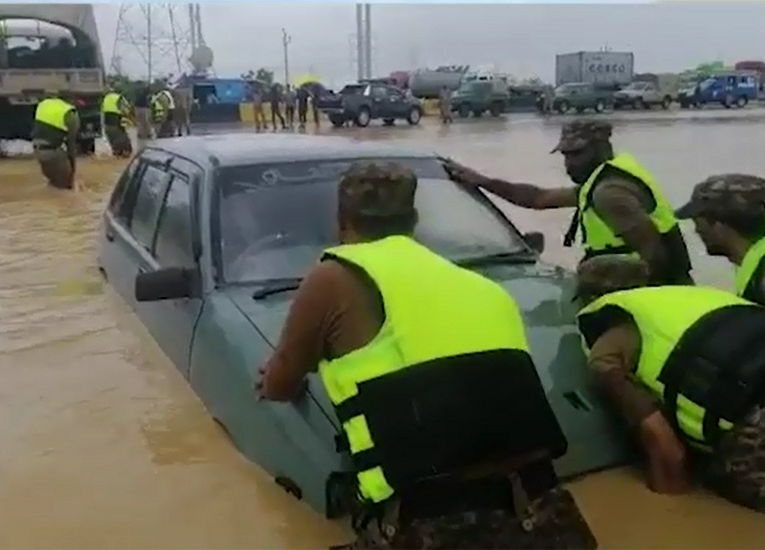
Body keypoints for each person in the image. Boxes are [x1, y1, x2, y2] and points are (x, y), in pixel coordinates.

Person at [257, 162, 597, 550]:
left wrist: (275, 378)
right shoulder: (485, 289)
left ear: (341, 220)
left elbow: (280, 384)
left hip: (434, 523)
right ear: (414, 220)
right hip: (544, 513)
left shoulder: (331, 278)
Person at [574, 254, 765, 512]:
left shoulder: (615, 340)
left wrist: (667, 503)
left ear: (591, 298)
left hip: (755, 414)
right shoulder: (698, 296)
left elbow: (663, 441)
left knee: (721, 482)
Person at [443, 119, 693, 285]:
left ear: (601, 148)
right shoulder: (600, 181)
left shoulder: (608, 193)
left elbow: (656, 258)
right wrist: (482, 181)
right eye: (565, 155)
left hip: (652, 292)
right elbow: (538, 198)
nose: (569, 163)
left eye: (577, 154)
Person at [674, 174, 765, 305]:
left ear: (719, 225)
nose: (697, 230)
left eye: (697, 222)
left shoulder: (762, 276)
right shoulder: (753, 262)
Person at [32, 91, 79, 190]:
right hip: (52, 153)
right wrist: (73, 170)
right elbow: (71, 145)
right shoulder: (69, 113)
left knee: (54, 185)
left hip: (38, 152)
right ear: (71, 100)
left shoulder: (43, 104)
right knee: (66, 188)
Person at [101, 88, 133, 157]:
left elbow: (102, 109)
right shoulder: (119, 98)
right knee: (122, 137)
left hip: (107, 122)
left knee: (112, 137)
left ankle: (116, 151)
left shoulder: (106, 98)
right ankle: (126, 151)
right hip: (116, 120)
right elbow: (127, 109)